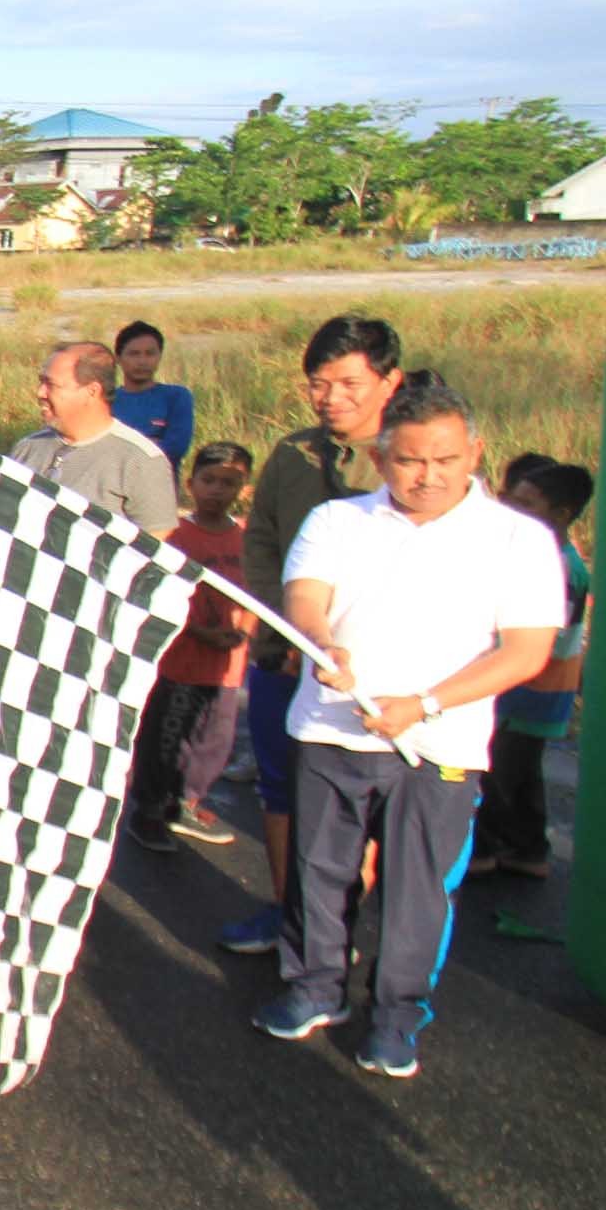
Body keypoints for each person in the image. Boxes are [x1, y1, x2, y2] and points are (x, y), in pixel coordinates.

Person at [258, 379, 563, 1078]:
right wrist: (319, 642)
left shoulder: (519, 539)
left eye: (446, 460)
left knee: (417, 888)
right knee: (318, 871)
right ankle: (313, 988)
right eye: (409, 461)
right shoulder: (338, 521)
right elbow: (305, 596)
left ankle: (397, 1014)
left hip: (439, 745)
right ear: (380, 455)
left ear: (476, 453)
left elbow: (525, 652)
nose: (427, 476)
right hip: (330, 731)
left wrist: (422, 704)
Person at [223, 316, 402, 958]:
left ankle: (337, 928)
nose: (331, 399)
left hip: (375, 676)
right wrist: (281, 627)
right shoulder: (294, 455)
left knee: (363, 802)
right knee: (280, 788)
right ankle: (286, 913)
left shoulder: (413, 464)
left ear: (390, 381)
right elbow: (263, 539)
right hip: (285, 656)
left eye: (349, 383)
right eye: (318, 385)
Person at [127, 441, 256, 853]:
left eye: (230, 483)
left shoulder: (247, 539)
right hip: (182, 660)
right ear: (190, 484)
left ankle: (186, 801)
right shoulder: (177, 535)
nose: (218, 490)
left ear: (245, 490)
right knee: (167, 738)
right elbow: (162, 594)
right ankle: (149, 810)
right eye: (209, 481)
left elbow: (258, 598)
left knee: (213, 742)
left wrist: (246, 632)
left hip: (228, 666)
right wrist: (201, 633)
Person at [475, 461, 594, 879]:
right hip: (536, 686)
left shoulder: (559, 567)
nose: (512, 508)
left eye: (525, 503)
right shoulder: (548, 555)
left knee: (496, 771)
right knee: (521, 771)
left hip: (532, 686)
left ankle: (483, 850)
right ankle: (526, 848)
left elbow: (547, 637)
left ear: (561, 514)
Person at [9, 342, 179, 530]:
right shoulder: (28, 448)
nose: (40, 392)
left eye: (51, 384)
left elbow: (155, 546)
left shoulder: (140, 461)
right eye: (41, 382)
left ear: (92, 391)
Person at [107, 320, 193, 472]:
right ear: (118, 358)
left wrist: (119, 448)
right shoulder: (106, 400)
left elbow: (174, 449)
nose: (142, 361)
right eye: (134, 354)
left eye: (150, 354)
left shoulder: (176, 397)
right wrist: (152, 441)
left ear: (159, 356)